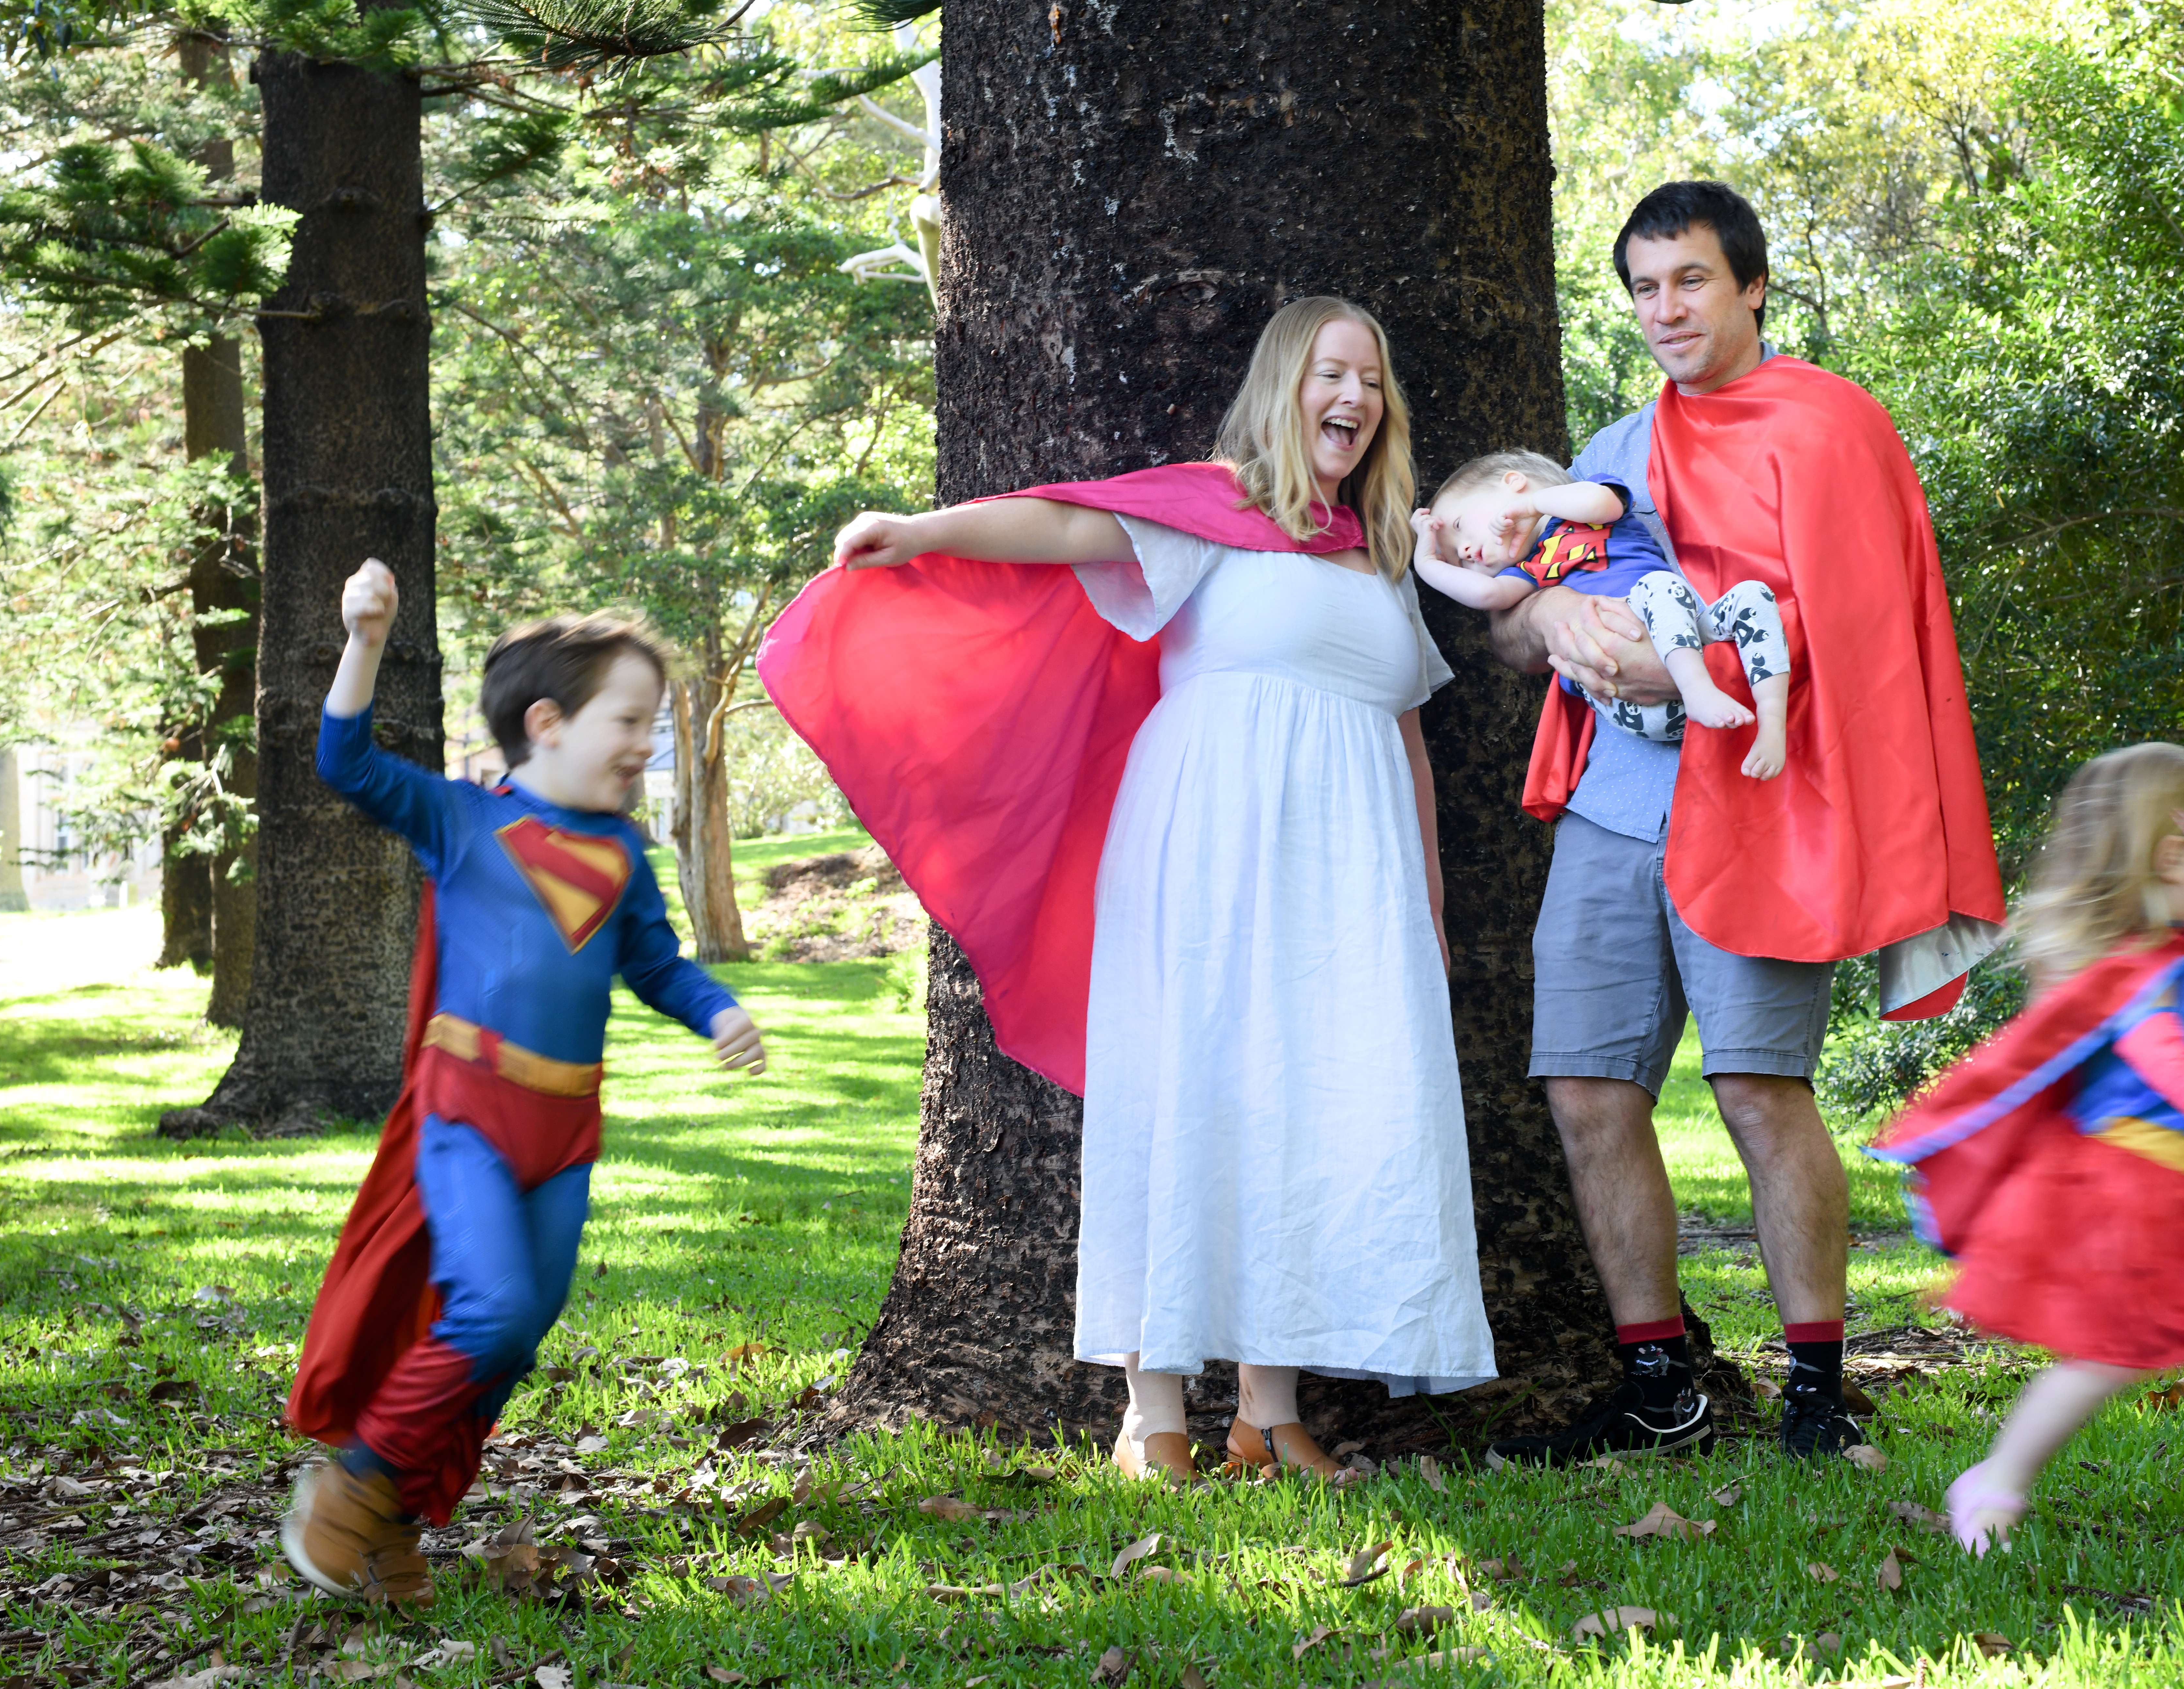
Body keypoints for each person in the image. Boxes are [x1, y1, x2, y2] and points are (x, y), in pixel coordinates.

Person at [761, 296, 1495, 1484]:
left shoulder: (1385, 553)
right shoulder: (1212, 510)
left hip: (1347, 885)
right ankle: (1152, 1414)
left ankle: (1269, 1411)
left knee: (1305, 1116)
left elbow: (1406, 739)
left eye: (1370, 377)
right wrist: (922, 528)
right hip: (1207, 852)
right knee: (1186, 1094)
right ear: (1283, 390)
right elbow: (1062, 530)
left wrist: (1427, 905)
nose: (1351, 396)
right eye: (1328, 373)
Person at [1486, 180, 2006, 1465]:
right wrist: (1548, 621)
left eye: (1692, 281)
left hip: (1767, 805)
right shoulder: (1612, 453)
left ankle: (1818, 1391)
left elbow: (1870, 630)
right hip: (1614, 810)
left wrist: (1697, 671)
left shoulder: (1831, 429)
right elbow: (1512, 610)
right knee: (1586, 1090)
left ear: (1751, 284)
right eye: (1647, 287)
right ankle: (1658, 1380)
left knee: (1762, 1091)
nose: (1667, 309)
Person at [281, 566, 767, 1606]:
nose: (647, 741)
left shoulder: (625, 853)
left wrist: (716, 1008)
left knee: (516, 1333)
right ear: (547, 723)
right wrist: (365, 636)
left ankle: (391, 1526)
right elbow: (345, 758)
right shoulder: (460, 819)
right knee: (493, 1309)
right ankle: (350, 1486)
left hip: (565, 1131)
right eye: (629, 719)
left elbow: (655, 963)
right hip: (468, 1118)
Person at [1870, 744, 2184, 1552]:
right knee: (2113, 1355)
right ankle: (1994, 1478)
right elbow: (2166, 1059)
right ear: (2174, 855)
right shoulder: (2137, 973)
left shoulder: (2161, 961)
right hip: (2129, 1189)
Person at [1410, 449, 1791, 779]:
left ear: (1515, 483)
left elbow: (1602, 504)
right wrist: (1427, 562)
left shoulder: (1590, 499)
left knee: (1750, 596)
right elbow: (1487, 594)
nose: (1463, 551)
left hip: (1685, 630)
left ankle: (1772, 723)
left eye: (1460, 527)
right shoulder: (1529, 571)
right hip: (1631, 706)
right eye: (1455, 556)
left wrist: (1534, 506)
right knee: (1661, 586)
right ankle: (1698, 692)